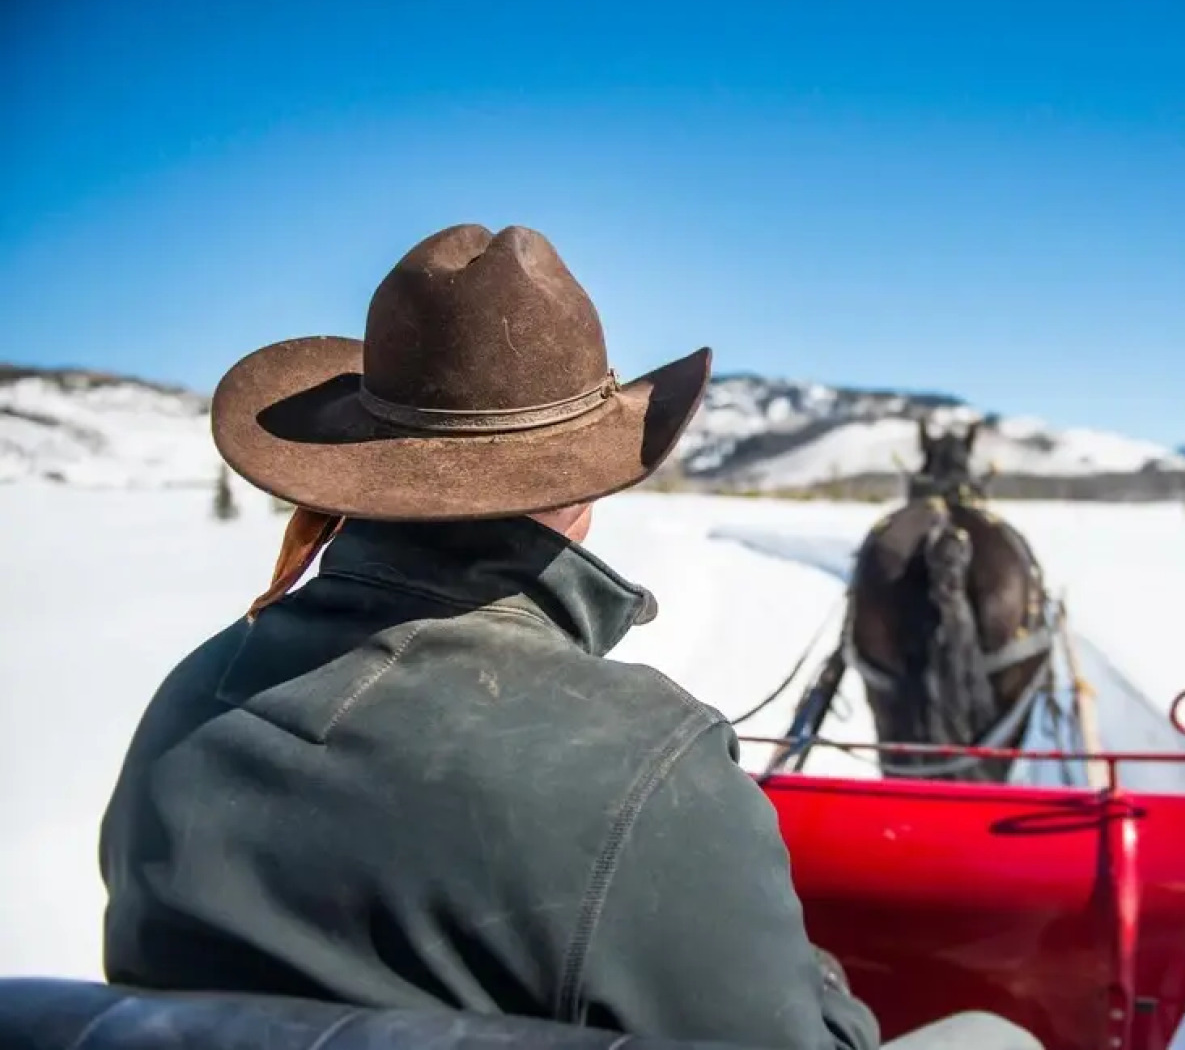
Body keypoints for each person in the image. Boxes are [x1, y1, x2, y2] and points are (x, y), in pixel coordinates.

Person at [96, 223, 880, 1050]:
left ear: (358, 467)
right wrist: (827, 985)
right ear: (585, 485)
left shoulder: (195, 693)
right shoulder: (648, 764)